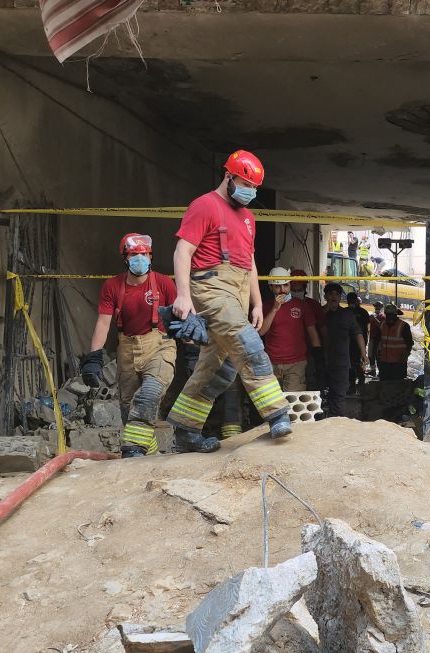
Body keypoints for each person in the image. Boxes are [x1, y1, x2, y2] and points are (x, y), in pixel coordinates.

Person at [162, 149, 291, 452]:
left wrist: (258, 303)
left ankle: (186, 432)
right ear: (228, 176)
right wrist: (182, 295)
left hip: (237, 292)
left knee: (218, 369)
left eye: (254, 188)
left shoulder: (247, 217)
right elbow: (183, 251)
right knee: (249, 344)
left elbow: (249, 263)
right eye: (245, 184)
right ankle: (277, 413)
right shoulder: (204, 206)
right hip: (210, 289)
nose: (250, 192)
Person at [81, 233, 177, 457]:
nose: (140, 259)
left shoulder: (164, 284)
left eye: (144, 254)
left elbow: (180, 314)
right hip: (126, 348)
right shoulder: (112, 286)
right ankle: (147, 455)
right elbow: (104, 324)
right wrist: (93, 357)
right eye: (134, 255)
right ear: (125, 258)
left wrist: (193, 348)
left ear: (150, 256)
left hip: (159, 344)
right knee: (129, 410)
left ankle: (133, 449)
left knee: (150, 393)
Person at [260, 266, 321, 391]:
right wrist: (274, 309)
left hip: (296, 363)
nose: (283, 290)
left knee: (294, 403)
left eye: (286, 285)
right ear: (271, 287)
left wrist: (319, 356)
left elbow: (312, 333)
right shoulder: (265, 307)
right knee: (272, 404)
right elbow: (261, 332)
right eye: (278, 286)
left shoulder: (302, 306)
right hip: (271, 362)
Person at [321, 283, 367, 416]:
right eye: (330, 294)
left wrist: (364, 353)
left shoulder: (347, 314)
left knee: (339, 394)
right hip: (321, 361)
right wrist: (324, 311)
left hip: (341, 362)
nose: (333, 297)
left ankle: (338, 422)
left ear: (340, 297)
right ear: (326, 296)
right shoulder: (319, 312)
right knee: (319, 393)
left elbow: (358, 333)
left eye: (336, 294)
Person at [375, 304, 414, 381]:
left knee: (397, 386)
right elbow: (377, 341)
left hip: (398, 363)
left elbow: (409, 343)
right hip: (384, 363)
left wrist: (406, 355)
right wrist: (377, 355)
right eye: (388, 315)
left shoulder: (403, 326)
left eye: (391, 315)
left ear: (396, 315)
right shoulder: (382, 325)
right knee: (384, 384)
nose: (389, 317)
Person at [346, 292, 372, 391]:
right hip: (348, 343)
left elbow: (367, 328)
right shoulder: (345, 312)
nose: (352, 302)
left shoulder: (363, 312)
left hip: (359, 343)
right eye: (350, 300)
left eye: (353, 300)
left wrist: (365, 343)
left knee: (359, 363)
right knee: (350, 364)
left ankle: (361, 383)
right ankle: (352, 385)